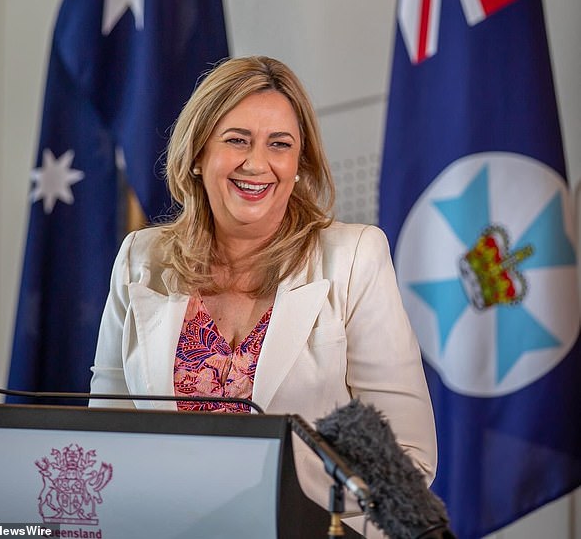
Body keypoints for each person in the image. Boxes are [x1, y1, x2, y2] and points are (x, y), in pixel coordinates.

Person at [90, 55, 436, 536]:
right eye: (237, 141)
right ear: (197, 154)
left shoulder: (355, 256)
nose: (258, 164)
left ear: (298, 164)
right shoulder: (140, 260)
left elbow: (407, 460)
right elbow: (105, 439)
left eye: (280, 144)